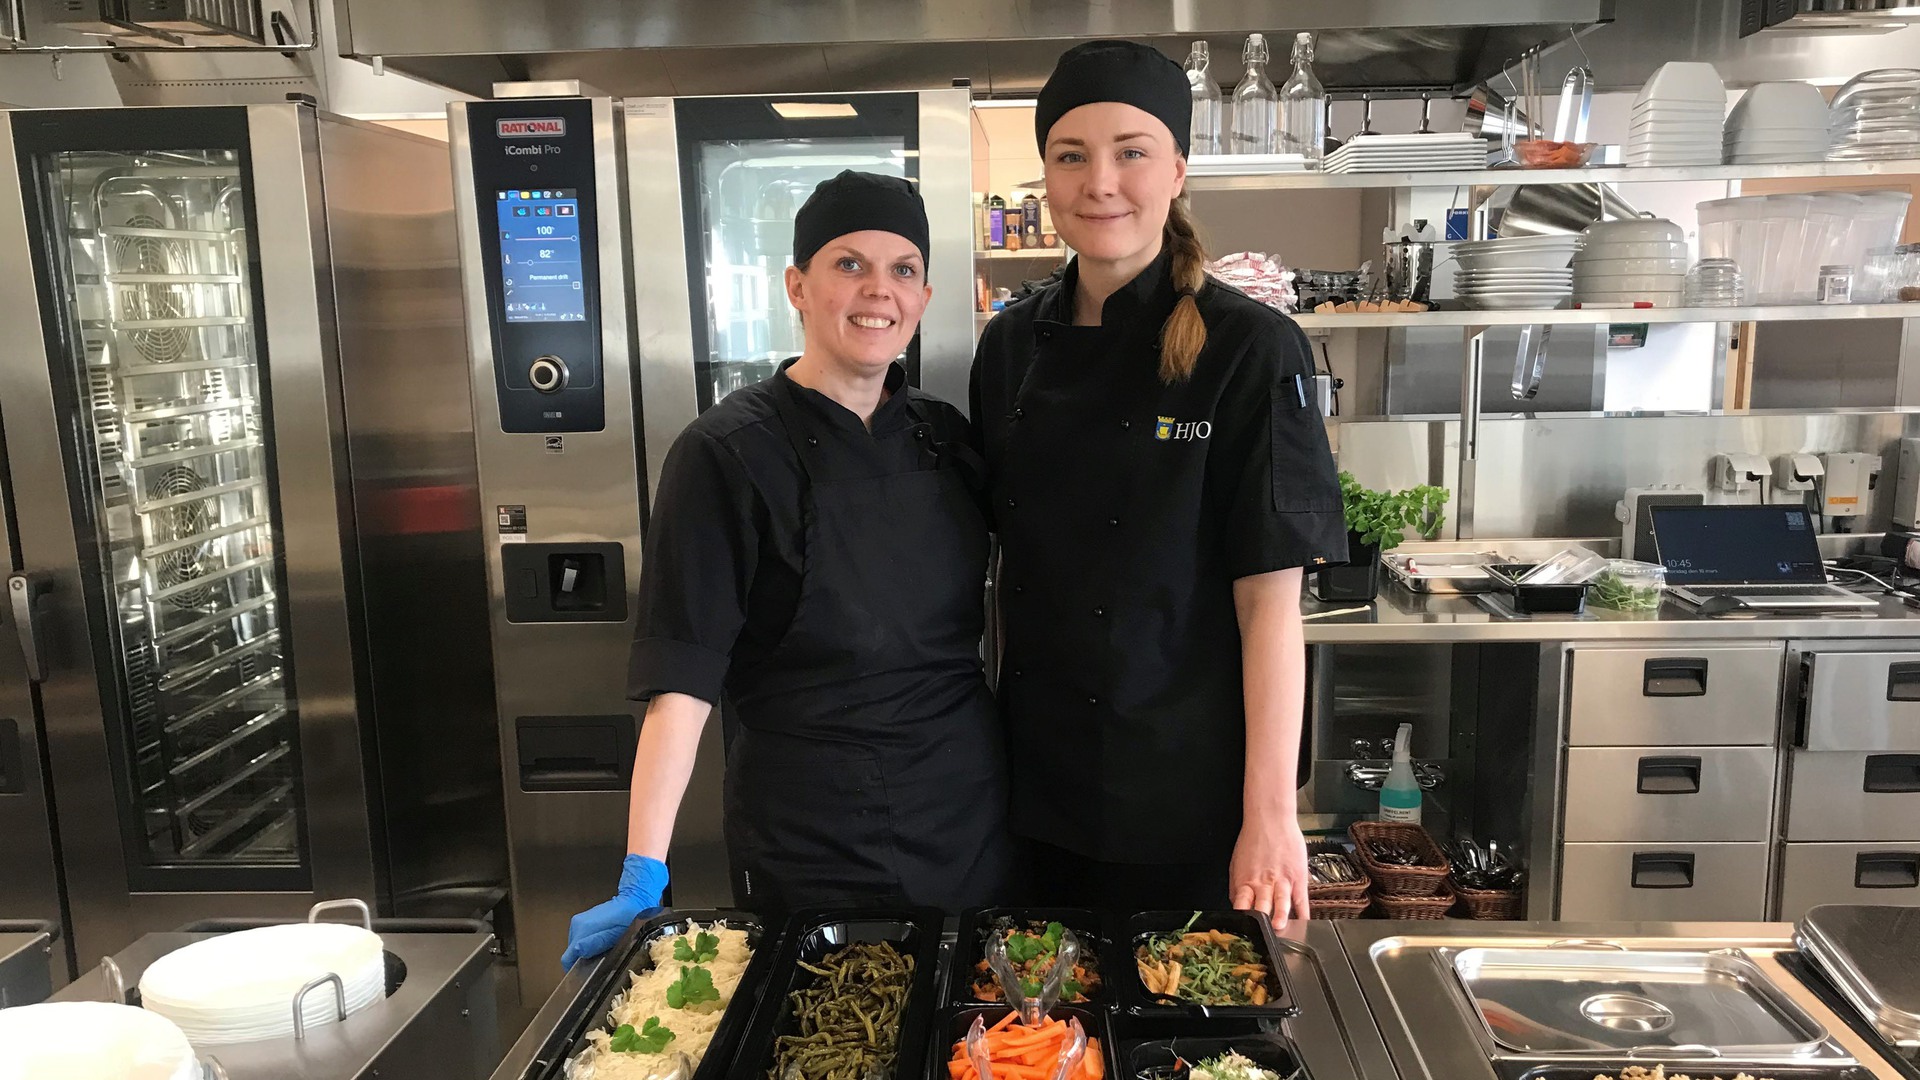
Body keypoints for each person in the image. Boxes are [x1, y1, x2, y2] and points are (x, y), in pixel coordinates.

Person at [561, 171, 1012, 969]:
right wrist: (643, 871)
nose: (879, 291)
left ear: (926, 293)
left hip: (964, 816)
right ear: (797, 287)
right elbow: (683, 681)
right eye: (849, 265)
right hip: (811, 834)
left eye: (902, 269)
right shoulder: (726, 454)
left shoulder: (947, 441)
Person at [970, 41, 1346, 927]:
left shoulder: (1251, 349)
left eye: (1131, 151)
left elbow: (1271, 610)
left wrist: (1270, 815)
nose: (1100, 182)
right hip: (1034, 790)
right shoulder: (1010, 346)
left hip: (1188, 801)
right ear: (1048, 176)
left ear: (1176, 170)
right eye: (1071, 156)